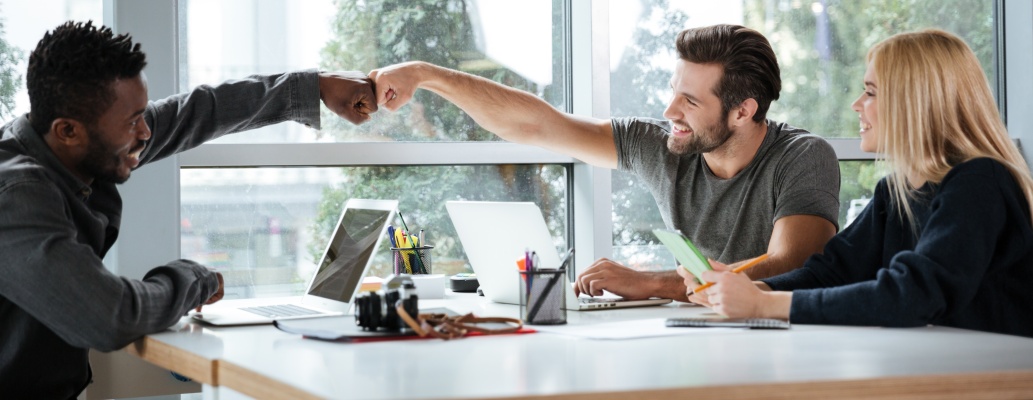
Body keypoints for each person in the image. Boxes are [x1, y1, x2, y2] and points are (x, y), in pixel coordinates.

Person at [0, 21, 377, 397]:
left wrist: (316, 87)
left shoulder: (72, 146)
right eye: (132, 122)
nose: (145, 134)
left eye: (142, 116)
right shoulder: (15, 195)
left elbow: (195, 112)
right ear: (68, 130)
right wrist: (192, 279)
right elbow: (110, 316)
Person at [369, 24, 840, 302]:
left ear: (743, 110)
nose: (669, 111)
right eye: (673, 92)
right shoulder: (663, 144)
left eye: (690, 102)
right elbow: (536, 124)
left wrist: (650, 282)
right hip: (703, 334)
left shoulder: (802, 157)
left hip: (783, 345)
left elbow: (792, 265)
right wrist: (426, 75)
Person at [690, 29, 1033, 338]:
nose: (856, 105)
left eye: (870, 92)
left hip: (997, 377)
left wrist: (763, 306)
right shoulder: (896, 191)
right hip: (941, 366)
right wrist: (751, 289)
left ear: (913, 103)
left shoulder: (979, 183)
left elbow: (912, 295)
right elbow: (831, 272)